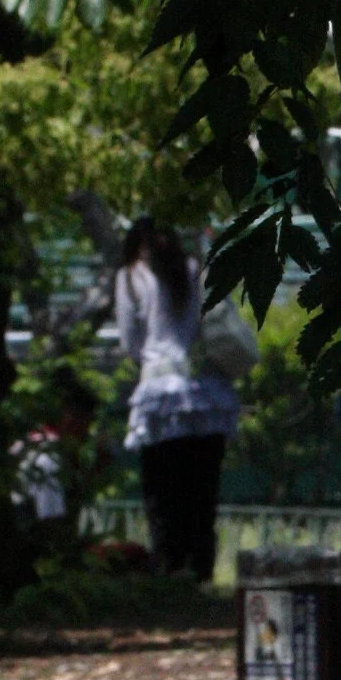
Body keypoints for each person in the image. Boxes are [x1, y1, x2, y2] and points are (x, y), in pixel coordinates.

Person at [114, 219, 239, 581]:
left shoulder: (131, 277)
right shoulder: (196, 269)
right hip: (207, 395)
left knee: (162, 491)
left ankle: (169, 564)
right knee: (201, 491)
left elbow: (131, 343)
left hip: (159, 397)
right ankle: (202, 566)